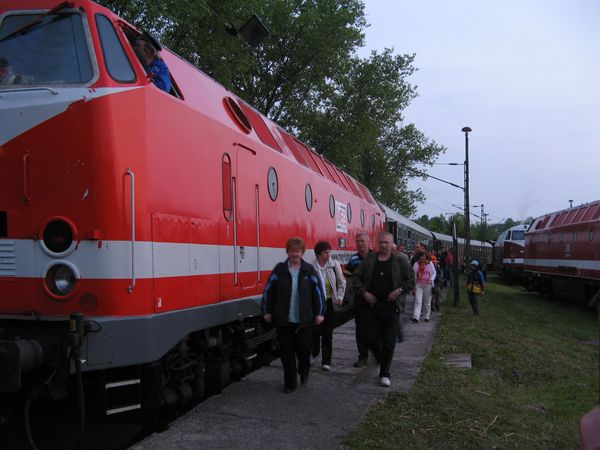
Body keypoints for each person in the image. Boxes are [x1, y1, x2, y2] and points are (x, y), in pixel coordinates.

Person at [262, 237, 325, 393]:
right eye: (292, 251)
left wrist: (320, 313)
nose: (294, 254)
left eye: (297, 251)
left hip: (305, 321)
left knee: (304, 351)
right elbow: (269, 291)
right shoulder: (279, 270)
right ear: (287, 252)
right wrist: (266, 311)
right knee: (286, 354)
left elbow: (318, 294)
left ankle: (304, 371)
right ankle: (290, 383)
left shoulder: (309, 270)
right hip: (285, 320)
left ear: (302, 252)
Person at [352, 231, 415, 387]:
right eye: (381, 243)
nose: (384, 245)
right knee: (369, 337)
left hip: (391, 308)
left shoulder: (400, 261)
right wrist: (364, 293)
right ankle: (380, 358)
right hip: (372, 307)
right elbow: (356, 277)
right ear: (377, 243)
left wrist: (399, 291)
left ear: (392, 244)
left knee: (388, 342)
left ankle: (385, 373)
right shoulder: (370, 259)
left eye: (387, 242)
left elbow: (411, 280)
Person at [310, 241, 346, 370]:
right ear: (318, 254)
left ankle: (326, 361)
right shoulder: (311, 267)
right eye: (326, 252)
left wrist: (340, 297)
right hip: (316, 304)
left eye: (329, 252)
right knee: (314, 331)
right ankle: (314, 352)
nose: (328, 255)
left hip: (330, 303)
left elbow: (342, 282)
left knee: (327, 333)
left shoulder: (334, 265)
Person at [344, 231, 374, 368]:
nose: (360, 243)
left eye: (363, 241)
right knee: (361, 329)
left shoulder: (377, 257)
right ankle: (363, 356)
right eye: (358, 241)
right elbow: (351, 274)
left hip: (375, 298)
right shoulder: (353, 259)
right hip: (360, 299)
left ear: (369, 242)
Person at [412, 254, 436, 322]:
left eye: (423, 256)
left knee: (427, 302)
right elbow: (414, 275)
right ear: (419, 257)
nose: (422, 257)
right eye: (421, 256)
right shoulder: (416, 264)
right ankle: (416, 316)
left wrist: (431, 279)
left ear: (426, 257)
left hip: (428, 284)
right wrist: (413, 285)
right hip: (419, 284)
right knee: (418, 301)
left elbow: (434, 272)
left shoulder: (429, 263)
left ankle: (427, 316)